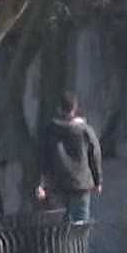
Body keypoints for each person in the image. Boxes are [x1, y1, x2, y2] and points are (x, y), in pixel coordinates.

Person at [37, 94, 103, 224]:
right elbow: (95, 155)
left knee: (59, 223)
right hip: (81, 183)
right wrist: (98, 180)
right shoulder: (85, 130)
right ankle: (81, 245)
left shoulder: (50, 130)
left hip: (57, 183)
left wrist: (42, 183)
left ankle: (62, 244)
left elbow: (44, 158)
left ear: (58, 108)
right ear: (75, 108)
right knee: (80, 222)